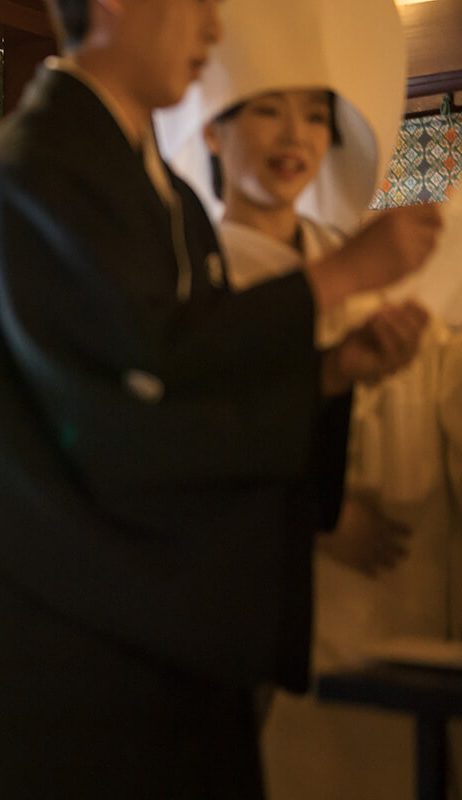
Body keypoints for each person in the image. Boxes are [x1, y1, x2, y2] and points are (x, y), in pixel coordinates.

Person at [0, 0, 443, 797]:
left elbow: (190, 375)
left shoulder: (158, 190)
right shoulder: (34, 171)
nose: (211, 30)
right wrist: (338, 281)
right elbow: (127, 393)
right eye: (199, 4)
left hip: (171, 640)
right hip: (72, 656)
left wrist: (330, 373)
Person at [157, 0, 462, 795]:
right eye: (267, 110)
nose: (295, 136)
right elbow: (181, 445)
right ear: (214, 129)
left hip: (406, 586)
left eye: (315, 115)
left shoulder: (360, 254)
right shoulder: (195, 277)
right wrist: (319, 519)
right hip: (275, 599)